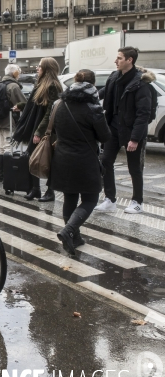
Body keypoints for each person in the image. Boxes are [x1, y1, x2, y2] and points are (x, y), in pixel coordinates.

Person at [50, 70, 111, 255]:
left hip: (61, 158)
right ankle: (69, 231)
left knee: (70, 197)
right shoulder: (93, 108)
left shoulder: (59, 104)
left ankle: (75, 237)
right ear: (92, 85)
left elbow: (52, 128)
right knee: (91, 198)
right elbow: (105, 136)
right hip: (85, 160)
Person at [94, 47, 154, 214]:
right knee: (106, 161)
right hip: (113, 127)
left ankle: (137, 202)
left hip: (131, 130)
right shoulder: (114, 76)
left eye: (119, 58)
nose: (116, 61)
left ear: (130, 60)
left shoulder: (140, 83)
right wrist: (87, 95)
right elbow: (104, 93)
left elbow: (143, 114)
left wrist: (134, 139)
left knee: (134, 168)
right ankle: (110, 200)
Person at [12, 57, 63, 201]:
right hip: (37, 125)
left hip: (47, 129)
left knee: (47, 158)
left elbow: (50, 111)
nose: (37, 68)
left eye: (40, 66)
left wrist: (40, 132)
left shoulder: (53, 85)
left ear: (47, 69)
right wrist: (21, 106)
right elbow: (34, 103)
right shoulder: (41, 83)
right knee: (32, 156)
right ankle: (36, 189)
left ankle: (50, 191)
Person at [0, 64, 27, 183]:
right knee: (8, 148)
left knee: (1, 149)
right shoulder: (13, 86)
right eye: (19, 71)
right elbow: (23, 103)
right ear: (15, 73)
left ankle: (0, 175)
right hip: (9, 122)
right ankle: (7, 175)